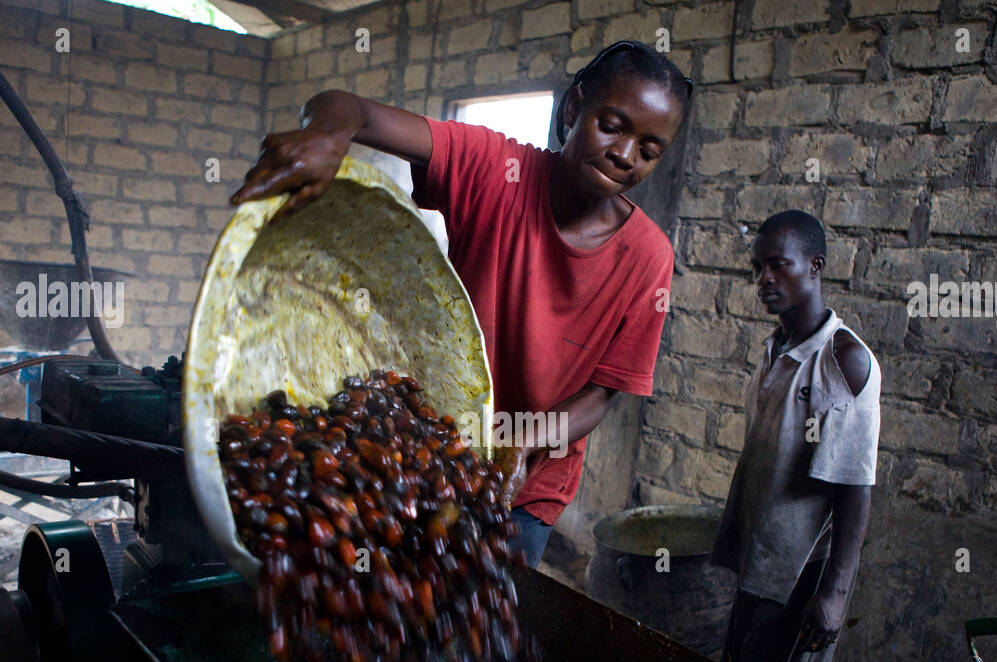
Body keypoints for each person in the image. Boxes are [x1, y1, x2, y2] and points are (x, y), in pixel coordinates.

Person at [231, 42, 692, 568]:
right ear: (574, 108)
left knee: (481, 616)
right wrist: (324, 138)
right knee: (387, 592)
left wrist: (520, 443)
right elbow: (346, 106)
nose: (625, 155)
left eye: (650, 150)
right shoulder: (497, 169)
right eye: (611, 125)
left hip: (528, 486)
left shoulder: (648, 255)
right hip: (431, 453)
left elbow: (602, 395)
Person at [710, 209, 881, 662]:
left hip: (800, 575)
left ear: (815, 266)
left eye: (778, 265)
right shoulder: (779, 344)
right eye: (758, 267)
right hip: (760, 561)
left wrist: (834, 594)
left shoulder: (844, 360)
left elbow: (855, 488)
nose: (764, 278)